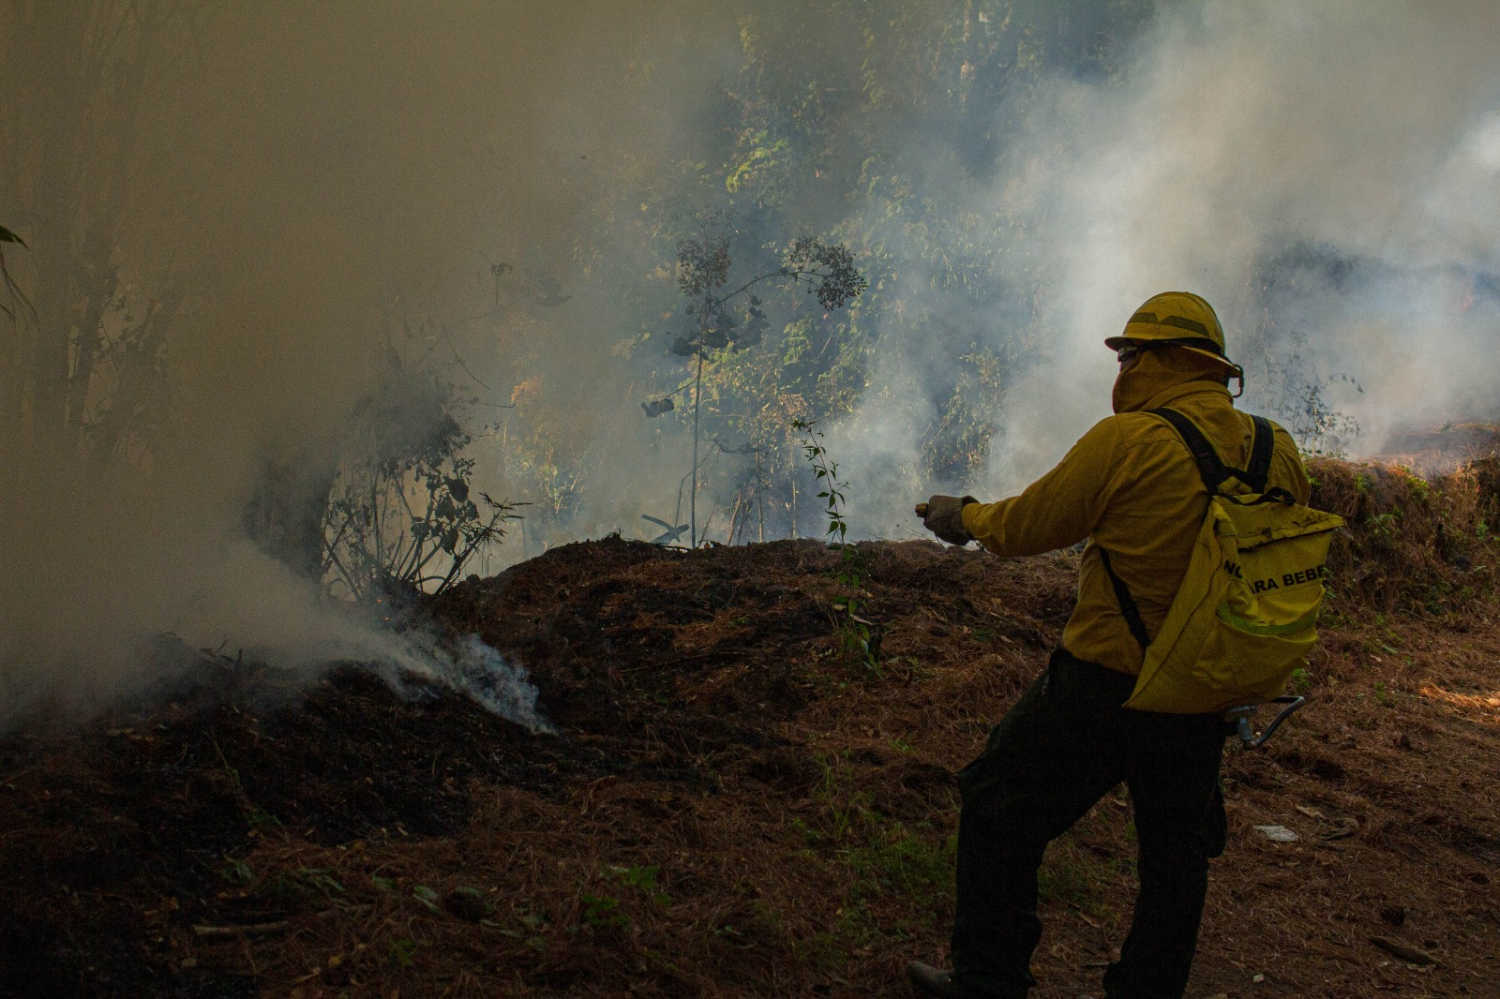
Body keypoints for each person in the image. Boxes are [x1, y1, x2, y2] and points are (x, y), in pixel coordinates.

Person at [908, 292, 1311, 999]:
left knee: (998, 804)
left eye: (1128, 354)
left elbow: (1030, 524)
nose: (1120, 368)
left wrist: (963, 515)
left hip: (1106, 683)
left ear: (1162, 361)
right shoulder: (1277, 451)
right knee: (1175, 861)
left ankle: (988, 981)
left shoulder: (1127, 441)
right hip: (1204, 690)